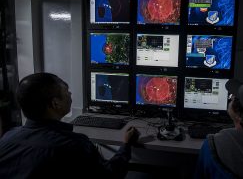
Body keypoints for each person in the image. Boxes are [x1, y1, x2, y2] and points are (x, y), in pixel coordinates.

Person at [0, 72, 140, 179]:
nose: (70, 94)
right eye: (66, 91)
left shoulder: (6, 139)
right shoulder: (74, 145)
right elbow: (111, 175)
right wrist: (126, 144)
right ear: (55, 104)